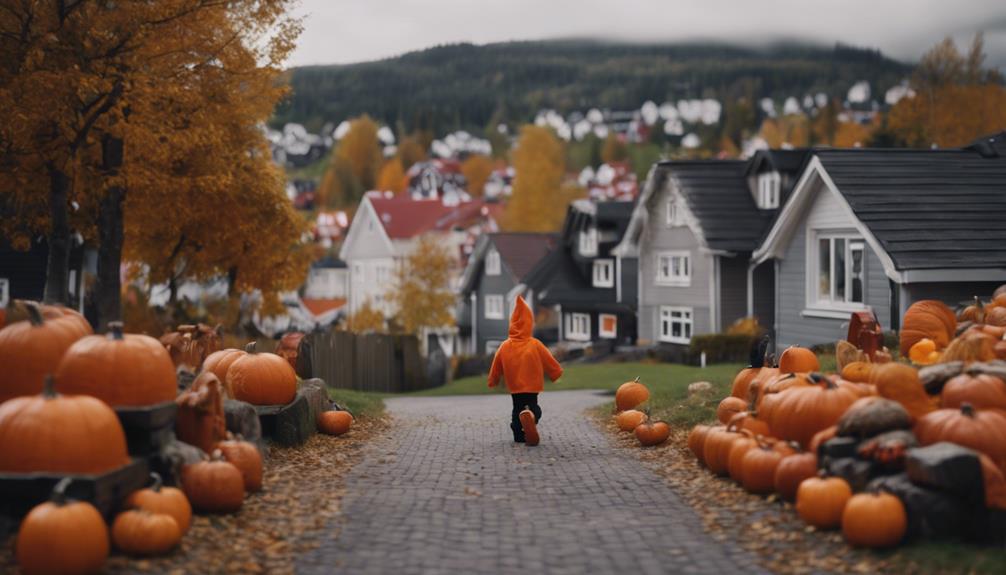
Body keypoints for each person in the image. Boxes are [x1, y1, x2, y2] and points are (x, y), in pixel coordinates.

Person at [487, 295, 563, 445]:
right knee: (534, 407)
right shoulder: (535, 344)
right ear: (529, 323)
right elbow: (549, 361)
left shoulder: (505, 346)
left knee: (517, 409)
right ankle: (531, 417)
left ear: (512, 324)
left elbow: (496, 365)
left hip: (515, 385)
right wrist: (555, 373)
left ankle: (518, 432)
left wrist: (493, 380)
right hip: (532, 385)